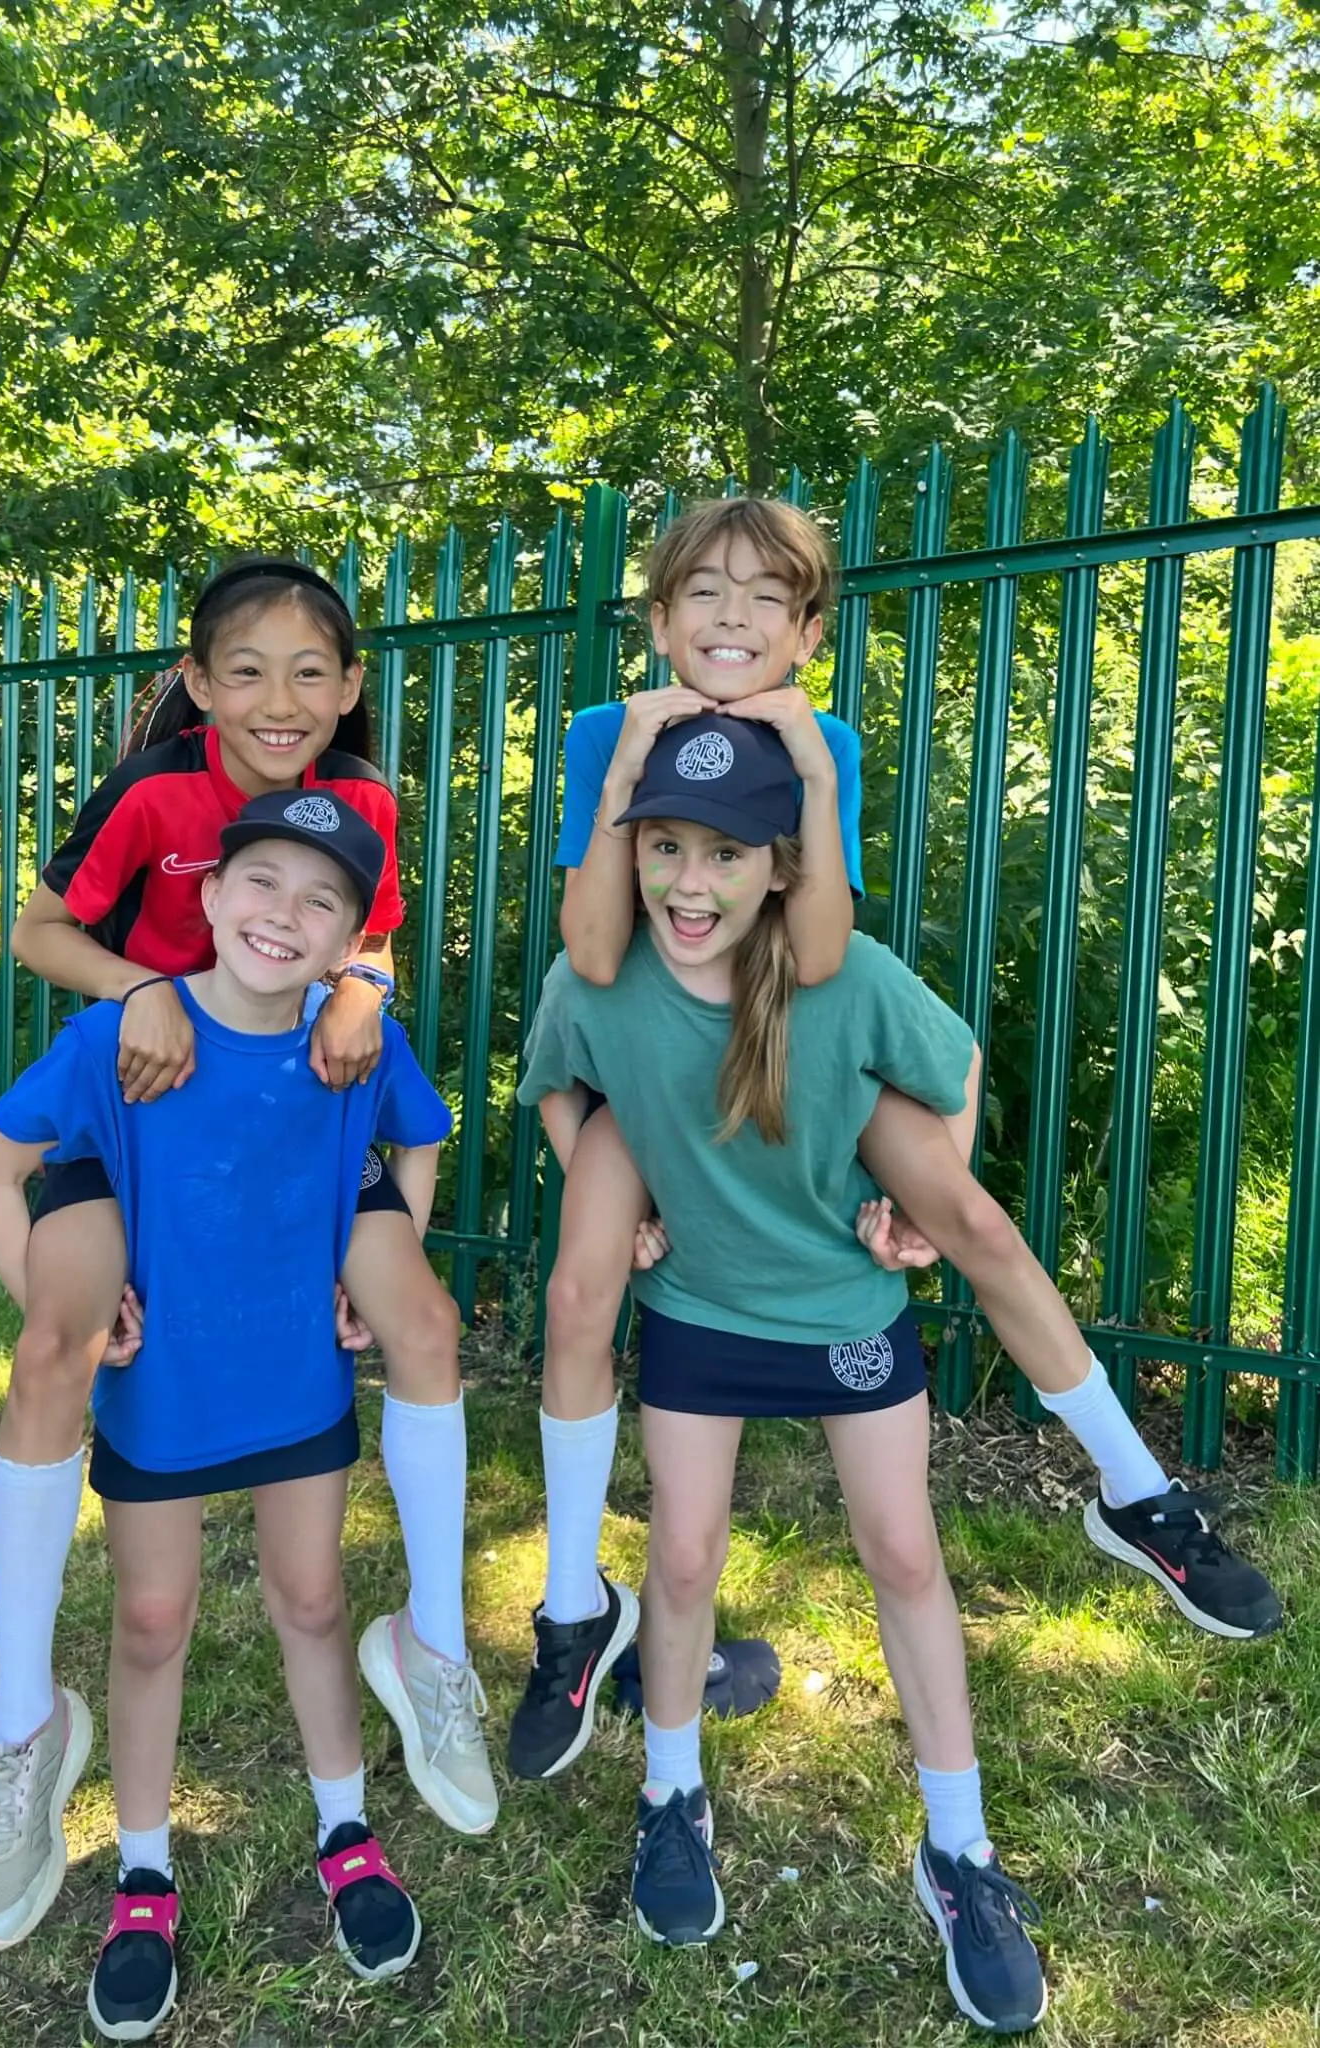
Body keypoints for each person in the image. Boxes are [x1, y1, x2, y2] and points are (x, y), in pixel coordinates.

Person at [509, 496, 1279, 1783]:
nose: (731, 619)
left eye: (766, 597)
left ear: (809, 630)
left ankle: (1138, 1492)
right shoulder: (608, 732)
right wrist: (632, 760)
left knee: (973, 1220)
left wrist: (807, 768)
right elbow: (592, 951)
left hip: (788, 1034)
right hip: (645, 1046)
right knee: (582, 1285)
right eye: (703, 592)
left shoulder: (830, 741)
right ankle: (574, 1603)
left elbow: (812, 953)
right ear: (654, 619)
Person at [0, 560, 491, 1961]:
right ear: (196, 683)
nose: (280, 701)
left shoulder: (361, 803)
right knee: (59, 1350)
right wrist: (145, 995)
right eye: (245, 670)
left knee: (415, 1320)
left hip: (294, 1093)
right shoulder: (149, 794)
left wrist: (362, 986)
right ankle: (24, 1732)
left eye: (312, 672)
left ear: (352, 689)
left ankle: (428, 1654)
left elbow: (355, 934)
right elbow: (36, 934)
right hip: (132, 1097)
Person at [517, 715, 1052, 2031]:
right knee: (684, 1560)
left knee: (906, 1556)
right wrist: (611, 1189)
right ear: (628, 848)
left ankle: (959, 1852)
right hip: (698, 1310)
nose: (686, 883)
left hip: (846, 1310)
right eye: (663, 848)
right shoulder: (599, 979)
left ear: (778, 871)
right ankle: (670, 1798)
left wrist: (923, 1213)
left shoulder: (843, 976)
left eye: (722, 855)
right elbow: (555, 1087)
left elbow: (956, 1067)